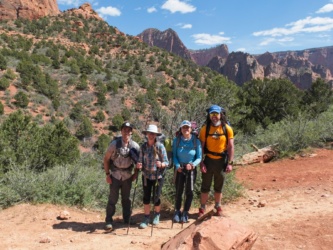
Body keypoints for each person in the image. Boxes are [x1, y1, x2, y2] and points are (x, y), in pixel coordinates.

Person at [198, 105, 234, 217]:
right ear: (209, 115)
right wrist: (201, 162)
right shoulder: (205, 129)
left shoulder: (227, 128)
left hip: (221, 161)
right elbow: (201, 147)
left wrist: (230, 163)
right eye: (212, 114)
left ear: (220, 115)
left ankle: (218, 206)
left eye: (216, 114)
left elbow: (230, 146)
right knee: (205, 186)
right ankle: (202, 208)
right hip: (208, 160)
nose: (214, 116)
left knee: (219, 186)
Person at [103, 122, 140, 231]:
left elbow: (138, 162)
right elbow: (106, 159)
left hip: (127, 176)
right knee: (112, 199)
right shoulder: (114, 144)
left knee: (126, 199)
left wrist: (135, 174)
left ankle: (127, 219)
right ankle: (109, 220)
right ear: (121, 131)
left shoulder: (135, 146)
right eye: (124, 130)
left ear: (131, 132)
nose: (126, 132)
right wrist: (107, 174)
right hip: (115, 175)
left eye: (129, 130)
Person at [136, 124, 169, 229]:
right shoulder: (143, 147)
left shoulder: (160, 146)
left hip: (157, 176)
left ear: (156, 135)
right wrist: (139, 165)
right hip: (146, 176)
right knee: (146, 197)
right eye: (149, 133)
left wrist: (162, 164)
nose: (151, 135)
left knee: (156, 197)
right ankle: (146, 217)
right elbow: (140, 160)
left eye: (153, 134)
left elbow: (167, 162)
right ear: (147, 134)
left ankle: (157, 215)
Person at [172, 120, 202, 223]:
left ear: (191, 129)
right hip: (179, 168)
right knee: (178, 191)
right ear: (181, 129)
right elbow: (174, 156)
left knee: (189, 191)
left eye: (187, 127)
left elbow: (199, 157)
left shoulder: (196, 141)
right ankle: (177, 211)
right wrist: (177, 165)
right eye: (184, 127)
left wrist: (192, 164)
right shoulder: (176, 140)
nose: (186, 129)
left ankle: (185, 212)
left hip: (191, 169)